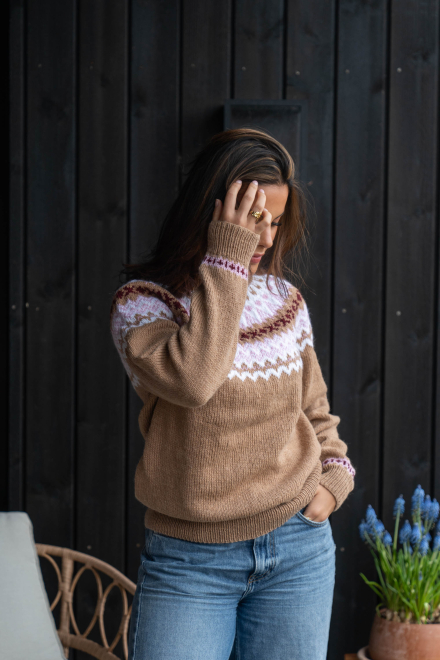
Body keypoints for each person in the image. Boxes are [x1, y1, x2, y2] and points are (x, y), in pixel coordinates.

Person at [110, 127, 356, 660]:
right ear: (214, 211)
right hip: (190, 563)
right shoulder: (143, 305)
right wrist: (225, 261)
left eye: (276, 220)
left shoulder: (285, 300)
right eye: (254, 218)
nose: (265, 238)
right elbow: (193, 380)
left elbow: (314, 409)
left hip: (297, 545)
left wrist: (332, 482)